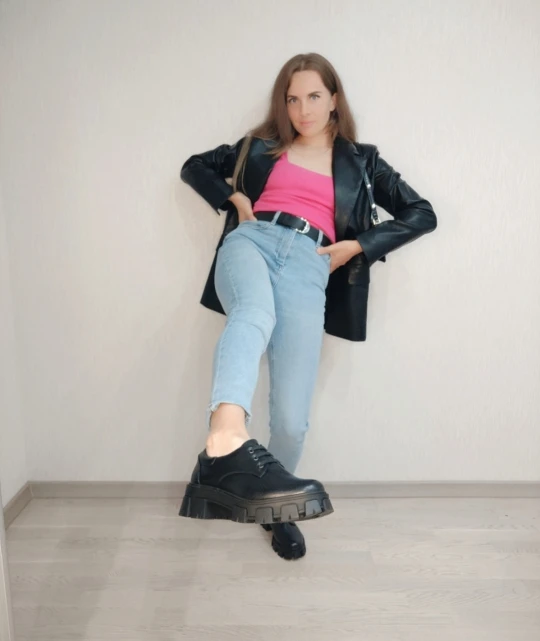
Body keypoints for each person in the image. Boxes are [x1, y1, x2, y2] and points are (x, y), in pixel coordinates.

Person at [178, 52, 437, 560]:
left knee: (293, 421)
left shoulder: (363, 162)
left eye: (314, 96)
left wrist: (357, 245)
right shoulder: (259, 147)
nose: (303, 110)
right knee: (253, 314)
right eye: (293, 99)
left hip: (310, 264)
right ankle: (223, 441)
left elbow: (421, 213)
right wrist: (234, 200)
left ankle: (273, 508)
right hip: (252, 241)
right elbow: (194, 166)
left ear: (334, 98)